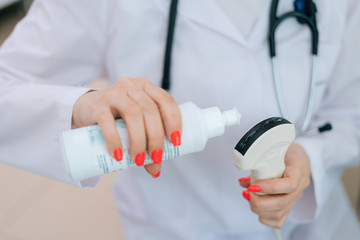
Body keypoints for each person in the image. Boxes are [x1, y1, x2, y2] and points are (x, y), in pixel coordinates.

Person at [0, 0, 359, 239]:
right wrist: (83, 105)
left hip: (315, 228)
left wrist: (311, 159)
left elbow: (350, 116)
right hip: (175, 229)